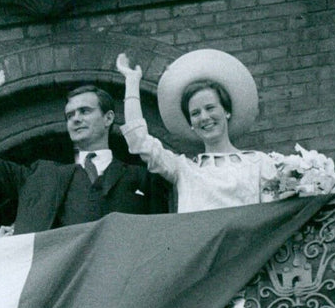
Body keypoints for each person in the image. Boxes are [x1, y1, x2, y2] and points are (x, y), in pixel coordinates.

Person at [0, 64, 169, 234]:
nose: (76, 119)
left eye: (84, 111)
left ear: (108, 118)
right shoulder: (40, 176)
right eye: (70, 116)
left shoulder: (142, 177)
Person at [116, 50, 282, 214]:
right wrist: (131, 81)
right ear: (191, 124)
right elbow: (138, 140)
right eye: (195, 113)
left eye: (210, 108)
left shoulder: (259, 163)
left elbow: (272, 217)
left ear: (226, 111)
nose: (204, 117)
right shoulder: (183, 169)